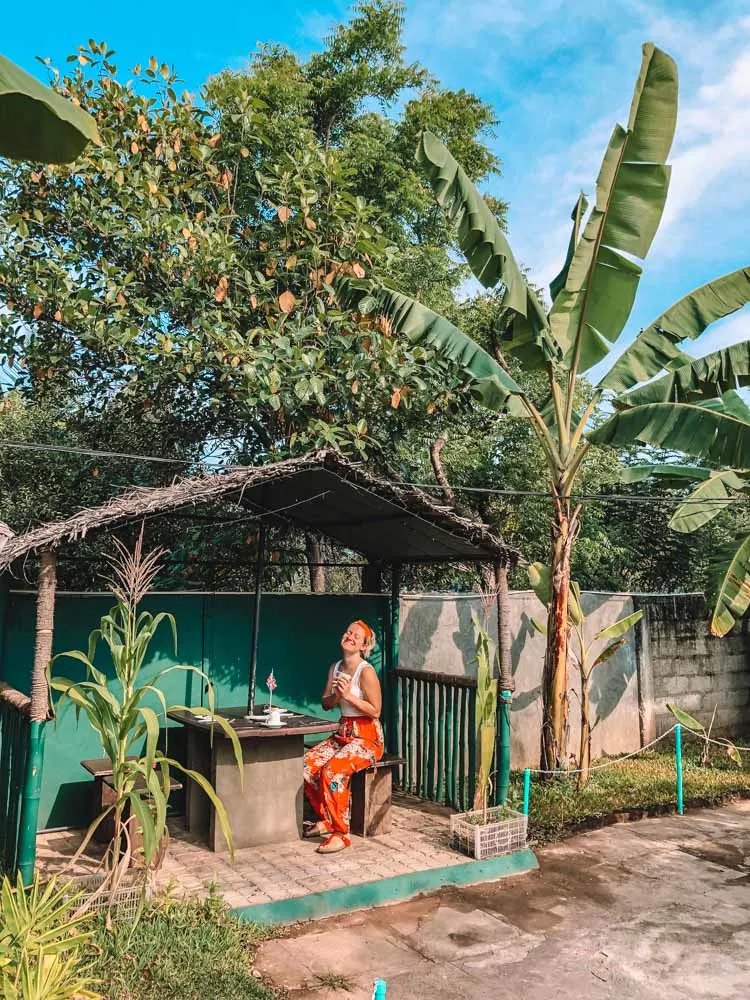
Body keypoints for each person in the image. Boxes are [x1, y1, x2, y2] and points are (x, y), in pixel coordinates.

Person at [303, 620, 384, 854]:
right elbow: (326, 704)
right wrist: (338, 696)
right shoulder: (335, 667)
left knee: (332, 771)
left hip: (367, 738)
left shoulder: (365, 671)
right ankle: (327, 818)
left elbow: (376, 710)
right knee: (307, 766)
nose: (349, 636)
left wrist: (348, 696)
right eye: (348, 632)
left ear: (363, 645)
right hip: (344, 732)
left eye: (356, 636)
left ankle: (342, 833)